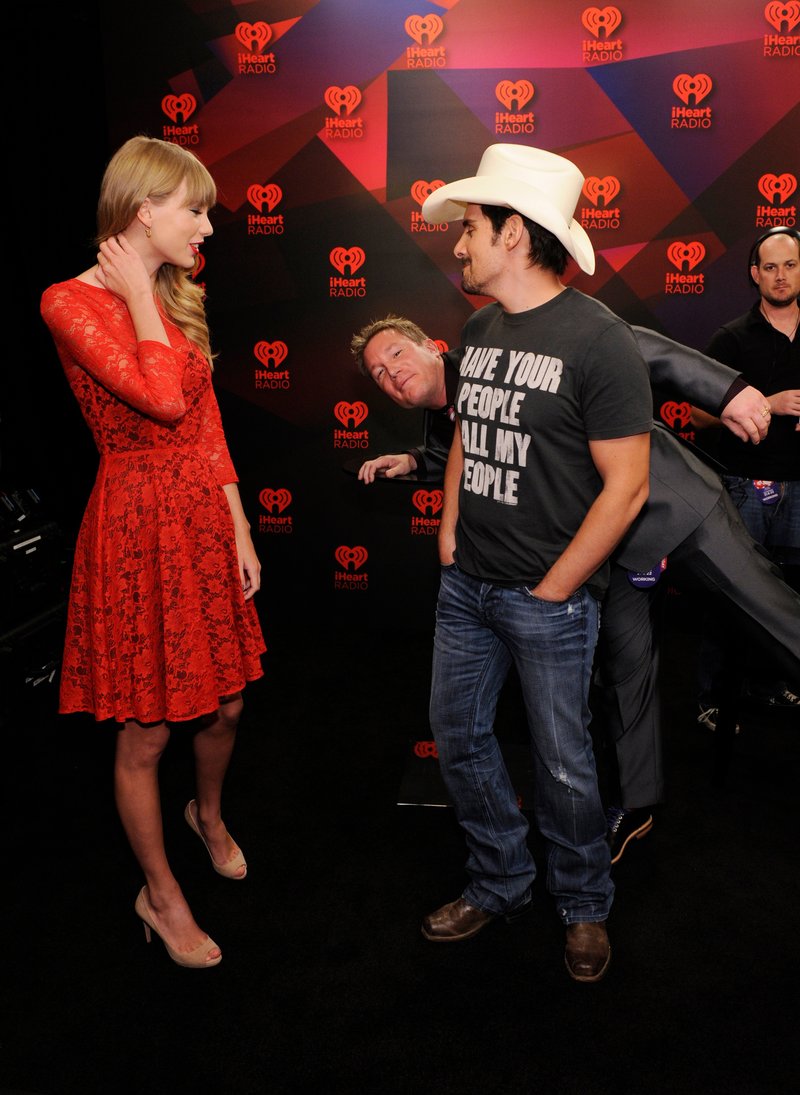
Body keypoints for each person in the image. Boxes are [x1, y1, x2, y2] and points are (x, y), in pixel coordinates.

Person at [351, 318, 800, 868]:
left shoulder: (496, 348)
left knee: (778, 621)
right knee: (623, 672)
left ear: (430, 346)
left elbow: (630, 343)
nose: (391, 373)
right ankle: (638, 804)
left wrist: (728, 391)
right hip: (611, 543)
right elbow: (473, 455)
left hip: (672, 504)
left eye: (396, 355)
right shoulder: (442, 417)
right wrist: (416, 460)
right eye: (379, 373)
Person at [409, 143, 657, 983]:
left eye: (471, 228)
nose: (459, 244)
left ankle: (583, 902)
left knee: (562, 765)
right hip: (466, 588)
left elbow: (627, 486)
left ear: (513, 233)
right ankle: (500, 879)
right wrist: (449, 527)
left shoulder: (601, 340)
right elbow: (467, 434)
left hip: (549, 600)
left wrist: (556, 587)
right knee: (458, 738)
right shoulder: (479, 329)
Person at [40, 136, 266, 969]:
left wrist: (239, 526)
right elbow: (162, 401)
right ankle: (160, 894)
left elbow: (205, 426)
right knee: (146, 733)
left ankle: (206, 814)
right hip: (135, 526)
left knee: (227, 704)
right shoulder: (67, 301)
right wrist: (138, 295)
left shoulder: (176, 292)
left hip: (200, 518)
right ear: (145, 209)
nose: (206, 227)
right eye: (195, 210)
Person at [694, 225, 800, 714]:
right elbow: (697, 415)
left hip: (799, 486)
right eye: (770, 267)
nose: (781, 276)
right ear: (755, 274)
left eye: (790, 265)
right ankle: (713, 698)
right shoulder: (731, 338)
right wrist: (765, 404)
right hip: (744, 486)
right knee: (733, 594)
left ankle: (770, 682)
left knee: (786, 597)